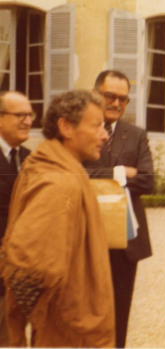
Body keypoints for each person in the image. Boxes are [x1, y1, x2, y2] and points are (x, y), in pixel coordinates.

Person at [0, 90, 114, 347]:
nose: (104, 135)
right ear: (66, 127)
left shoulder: (54, 166)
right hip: (69, 330)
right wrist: (45, 315)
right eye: (97, 126)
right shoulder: (59, 181)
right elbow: (28, 266)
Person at [83, 70, 154, 348]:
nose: (116, 103)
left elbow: (148, 181)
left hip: (126, 241)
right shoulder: (80, 129)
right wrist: (122, 173)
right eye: (110, 96)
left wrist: (100, 174)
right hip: (86, 237)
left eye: (123, 99)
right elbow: (75, 174)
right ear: (95, 93)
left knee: (119, 316)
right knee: (84, 313)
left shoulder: (135, 135)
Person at [0, 91, 33, 346]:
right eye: (19, 115)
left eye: (30, 115)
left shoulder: (30, 158)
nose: (27, 121)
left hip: (21, 272)